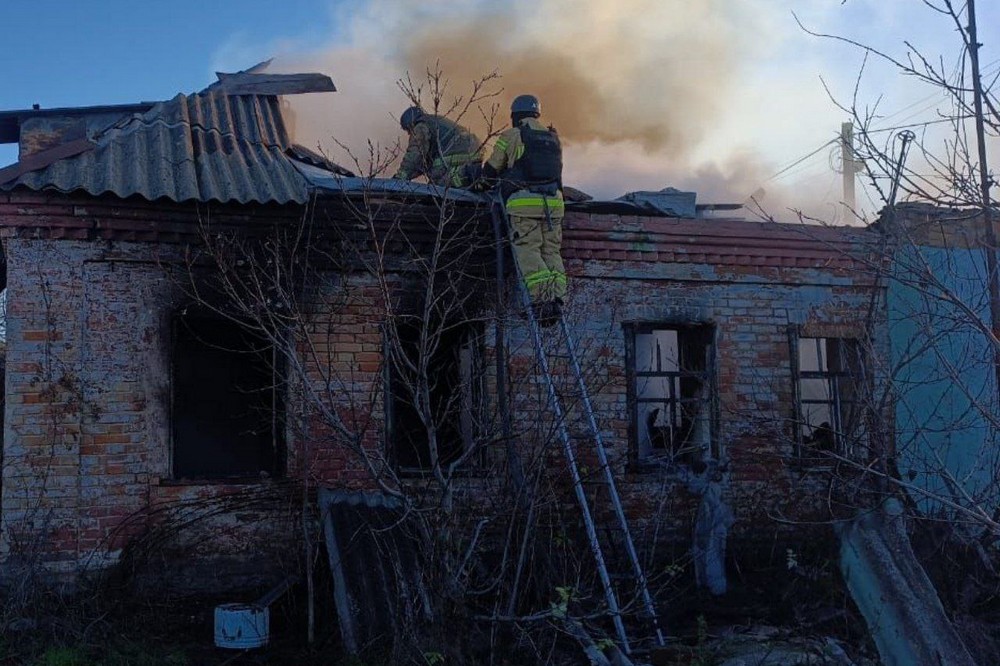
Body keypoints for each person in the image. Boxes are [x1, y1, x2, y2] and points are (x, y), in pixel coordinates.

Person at [483, 94, 566, 327]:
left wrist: (481, 182)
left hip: (524, 203)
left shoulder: (512, 136)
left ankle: (542, 303)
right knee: (551, 251)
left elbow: (492, 168)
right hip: (554, 204)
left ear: (515, 116)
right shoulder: (553, 138)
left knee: (528, 250)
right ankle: (558, 298)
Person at [392, 106, 483, 188]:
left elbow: (415, 154)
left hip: (458, 148)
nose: (409, 133)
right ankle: (471, 176)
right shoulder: (433, 121)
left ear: (410, 123)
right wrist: (409, 175)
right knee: (446, 176)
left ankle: (467, 174)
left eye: (408, 130)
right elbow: (422, 164)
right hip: (474, 148)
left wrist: (401, 176)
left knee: (437, 182)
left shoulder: (420, 127)